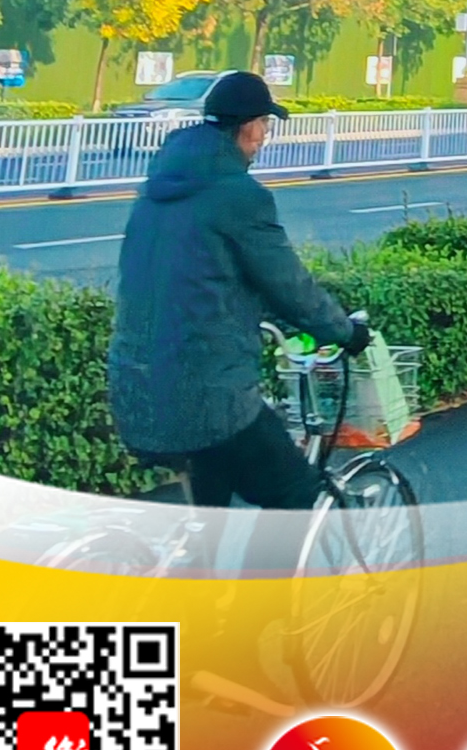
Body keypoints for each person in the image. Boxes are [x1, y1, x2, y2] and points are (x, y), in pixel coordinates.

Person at [109, 68, 369, 507]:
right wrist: (345, 331)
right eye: (264, 123)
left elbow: (192, 279)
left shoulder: (156, 189)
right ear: (247, 126)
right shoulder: (239, 196)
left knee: (210, 509)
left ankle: (201, 553)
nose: (265, 136)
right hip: (207, 395)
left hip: (134, 386)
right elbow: (289, 285)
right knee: (295, 493)